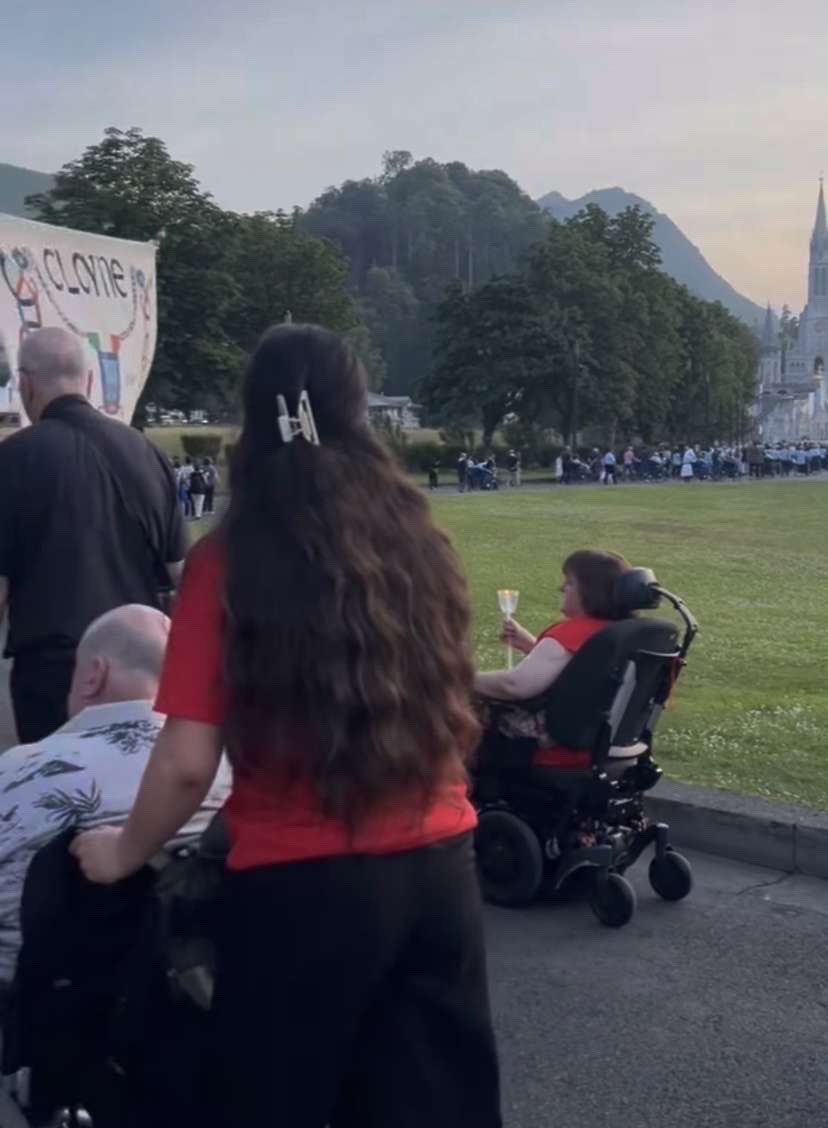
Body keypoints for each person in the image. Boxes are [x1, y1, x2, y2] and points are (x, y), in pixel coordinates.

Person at [72, 324, 502, 1128]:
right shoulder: (420, 544)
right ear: (359, 411)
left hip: (303, 887)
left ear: (252, 418)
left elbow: (188, 761)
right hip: (442, 867)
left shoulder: (230, 560)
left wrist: (121, 851)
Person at [0, 604, 230, 987]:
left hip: (35, 1001)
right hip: (188, 993)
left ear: (94, 675)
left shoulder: (18, 770)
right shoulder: (238, 768)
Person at [0, 328, 186, 744]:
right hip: (143, 666)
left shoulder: (12, 459)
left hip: (53, 674)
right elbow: (179, 575)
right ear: (88, 380)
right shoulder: (147, 454)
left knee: (55, 797)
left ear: (26, 385)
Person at [474, 549, 631, 706]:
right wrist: (530, 644)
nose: (562, 588)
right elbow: (577, 671)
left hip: (545, 726)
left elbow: (514, 685)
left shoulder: (573, 633)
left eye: (570, 582)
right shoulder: (619, 631)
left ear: (590, 591)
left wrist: (458, 678)